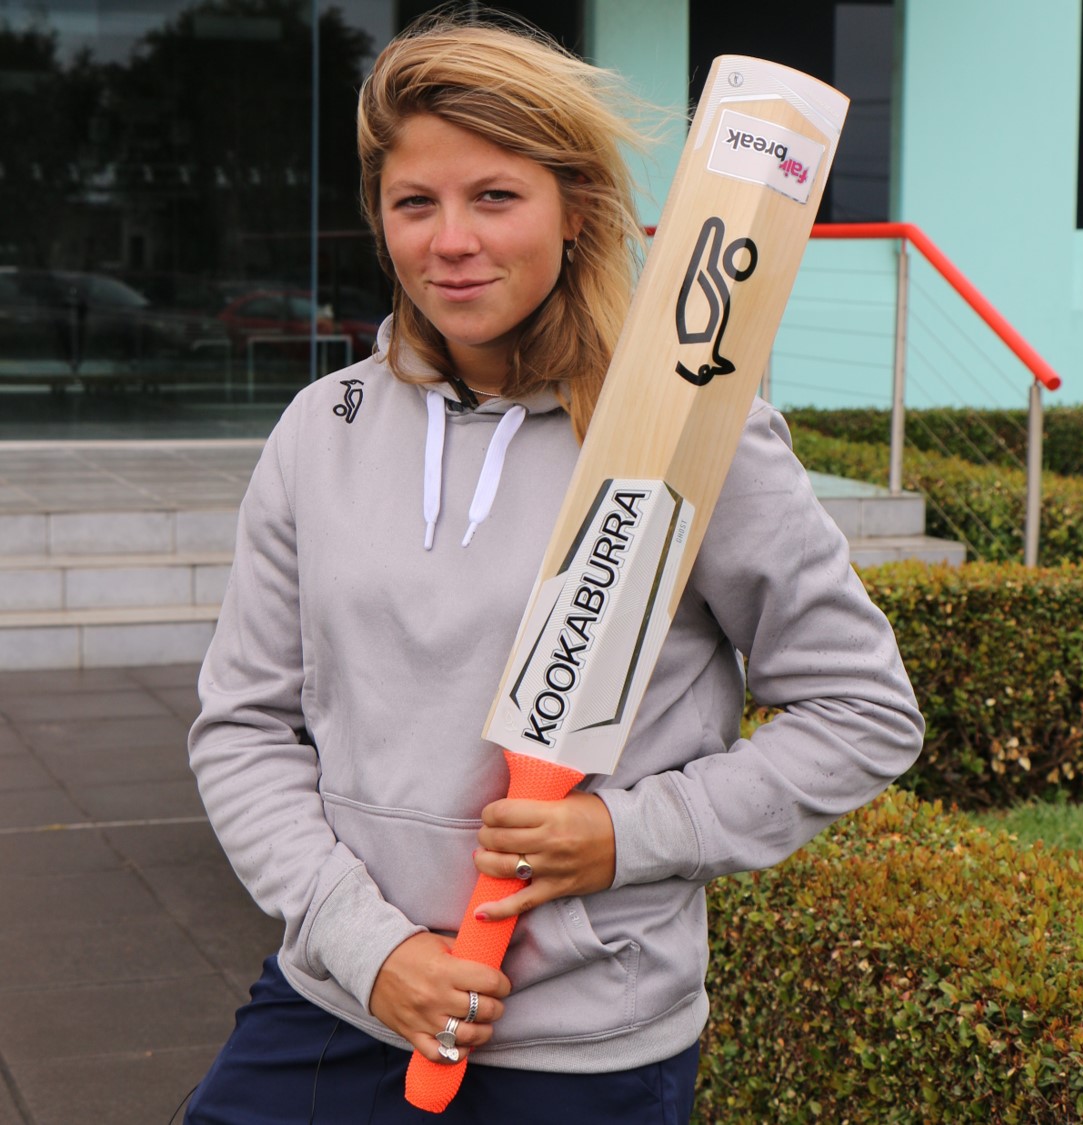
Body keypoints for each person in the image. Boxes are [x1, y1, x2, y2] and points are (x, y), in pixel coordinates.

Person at [184, 10, 924, 1124]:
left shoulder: (695, 435)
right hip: (340, 998)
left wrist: (625, 836)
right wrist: (371, 949)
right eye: (414, 203)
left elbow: (863, 708)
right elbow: (243, 727)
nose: (451, 241)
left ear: (575, 210)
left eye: (495, 197)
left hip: (582, 1045)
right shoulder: (319, 430)